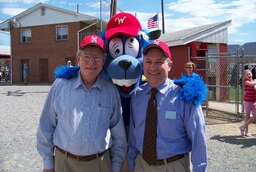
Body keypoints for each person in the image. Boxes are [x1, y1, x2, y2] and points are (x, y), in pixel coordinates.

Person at [37, 35, 127, 172]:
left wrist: (116, 166)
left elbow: (118, 131)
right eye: (86, 56)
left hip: (100, 164)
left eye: (97, 57)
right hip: (64, 163)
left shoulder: (110, 90)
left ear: (103, 61)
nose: (91, 62)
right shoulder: (60, 86)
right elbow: (46, 124)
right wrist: (48, 163)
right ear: (78, 59)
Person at [128, 40, 207, 172]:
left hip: (172, 166)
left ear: (169, 65)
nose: (153, 67)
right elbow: (133, 136)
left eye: (159, 62)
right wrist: (131, 164)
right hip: (141, 165)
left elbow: (198, 138)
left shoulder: (184, 96)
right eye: (148, 62)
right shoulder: (137, 96)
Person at [239, 69, 256, 136]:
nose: (249, 75)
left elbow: (254, 87)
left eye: (250, 73)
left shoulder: (254, 80)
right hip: (247, 101)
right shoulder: (246, 81)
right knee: (247, 116)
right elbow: (251, 84)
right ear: (245, 76)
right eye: (247, 74)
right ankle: (246, 131)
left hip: (254, 101)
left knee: (255, 116)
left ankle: (243, 127)